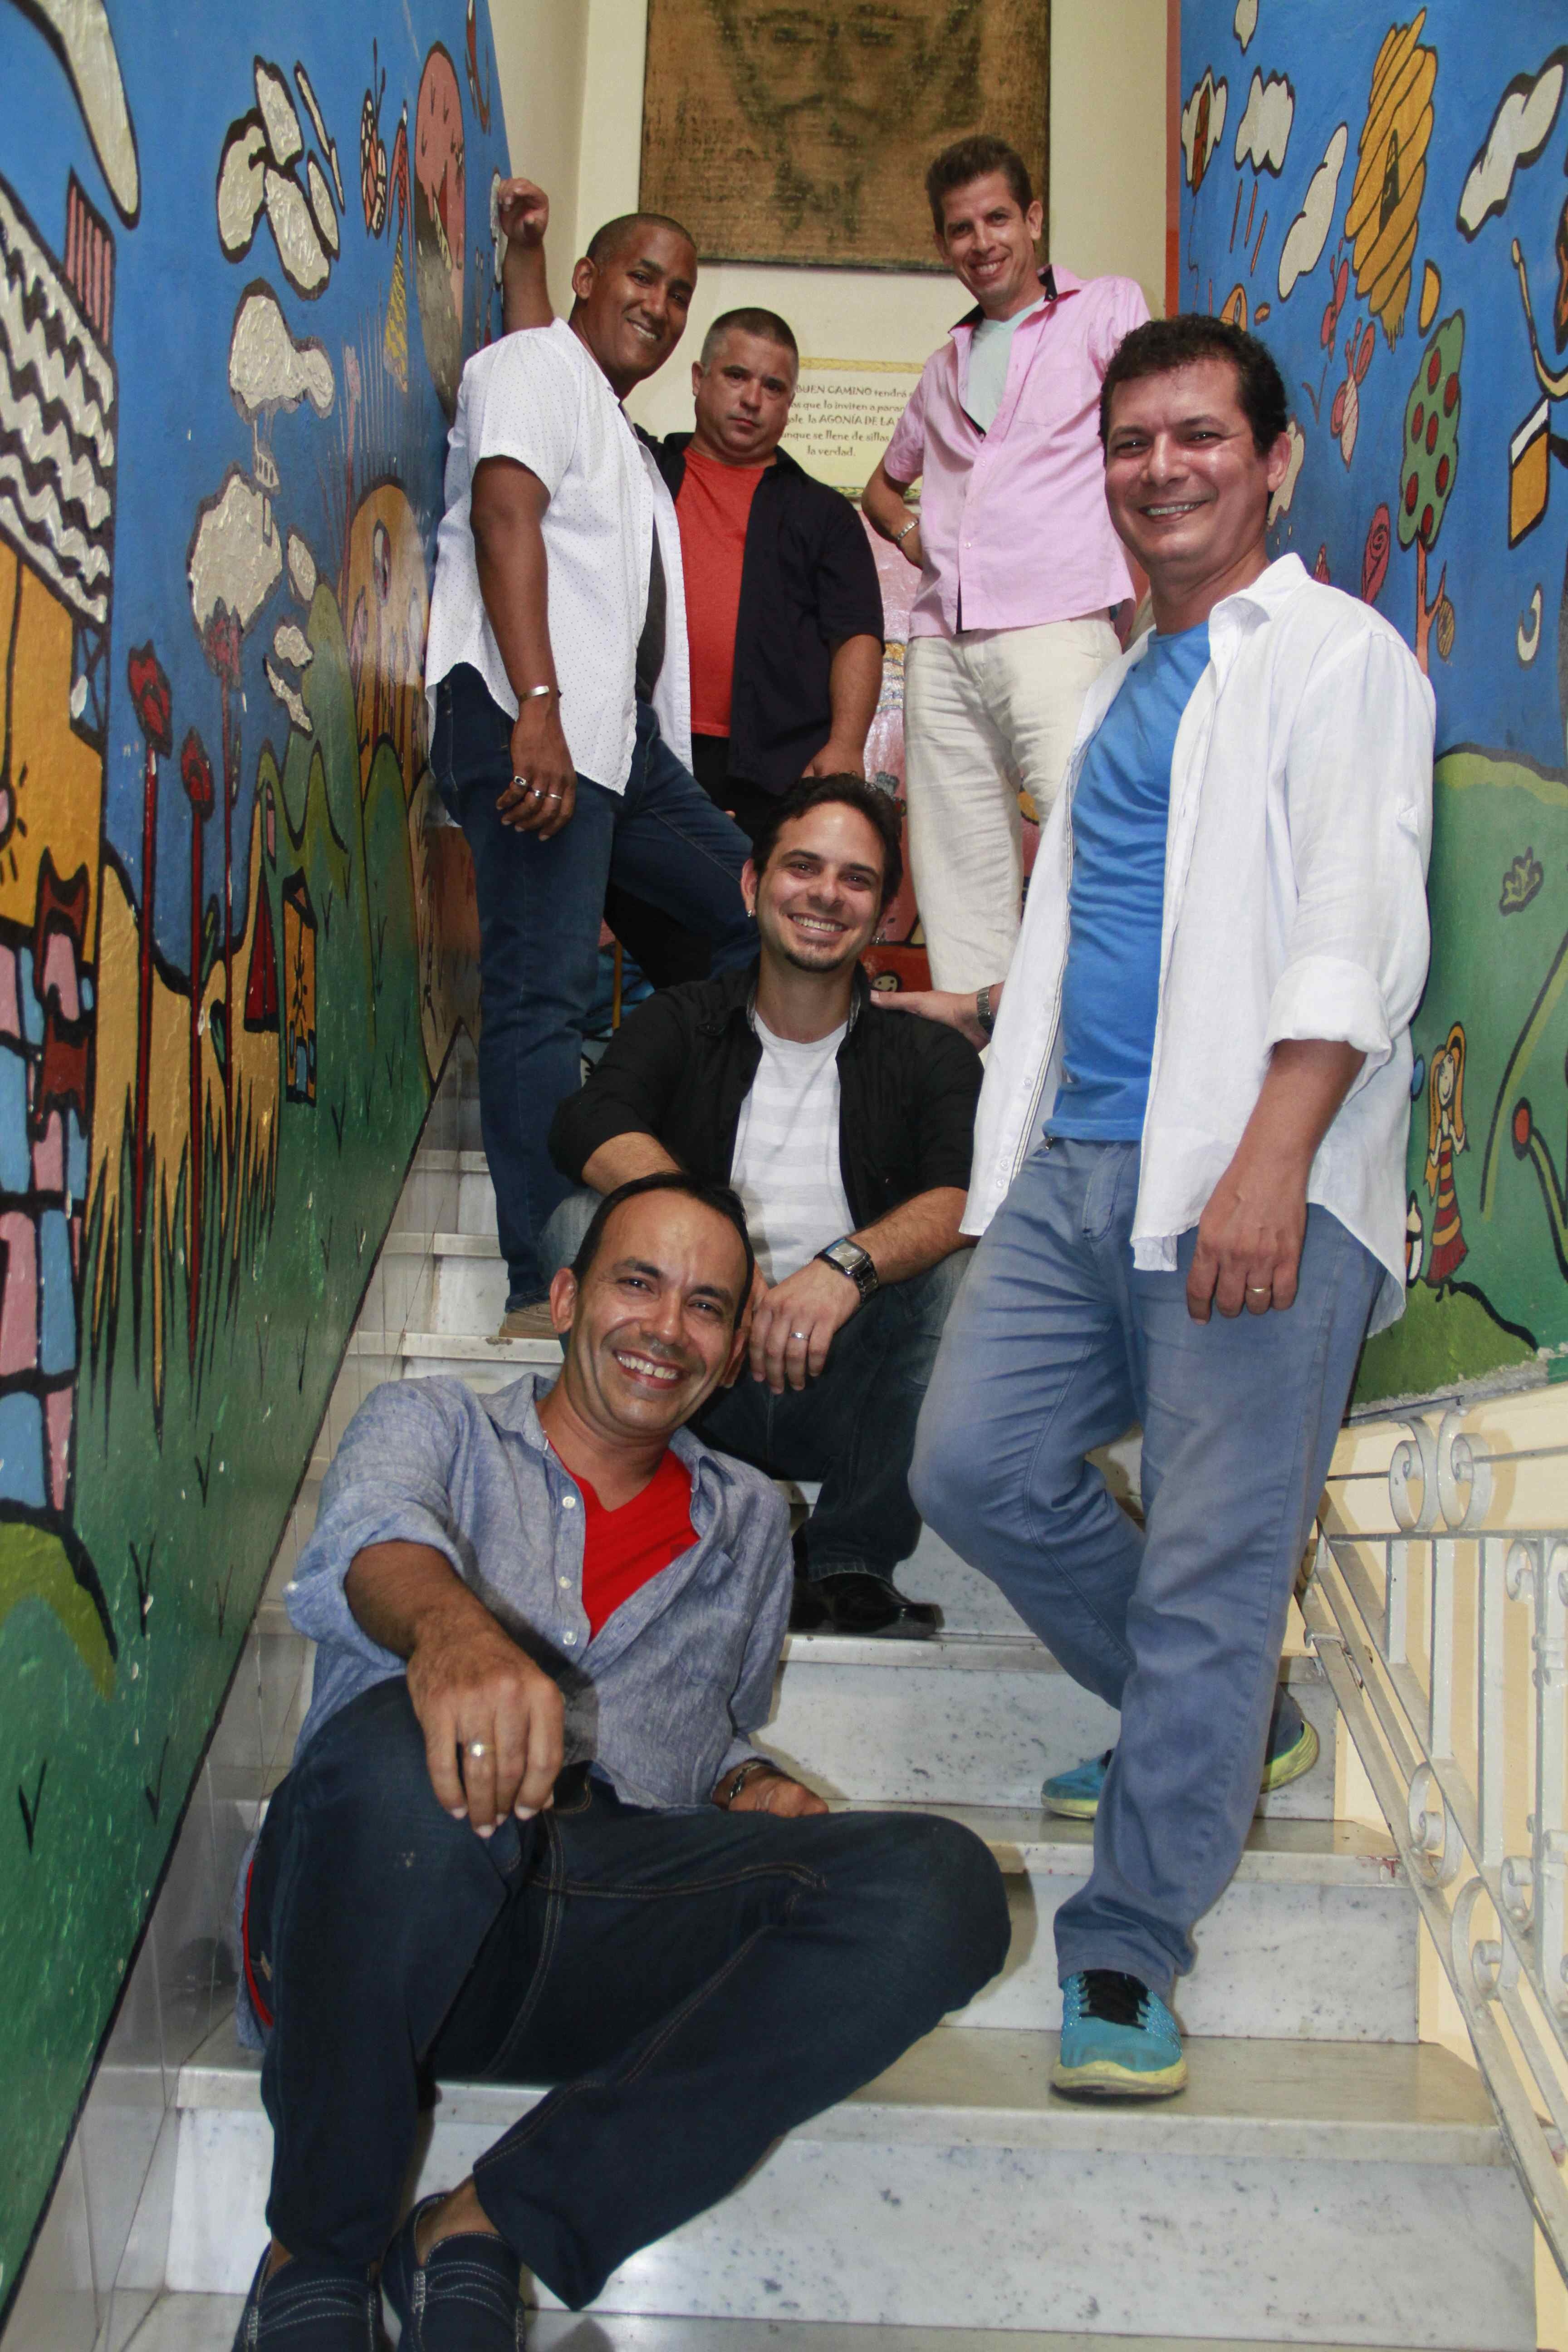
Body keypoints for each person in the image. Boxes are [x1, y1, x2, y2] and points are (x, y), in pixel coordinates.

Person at [894, 316, 1433, 2097]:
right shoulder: (1123, 684)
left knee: (1211, 1564)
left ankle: (1127, 1946)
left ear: (1272, 462)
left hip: (1247, 1159)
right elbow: (1089, 935)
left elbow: (1356, 917)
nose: (1161, 468)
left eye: (1200, 436)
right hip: (1077, 1167)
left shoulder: (1336, 657)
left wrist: (1271, 1156)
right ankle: (1215, 1724)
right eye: (1131, 442)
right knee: (968, 1465)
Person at [231, 1172, 1009, 2350]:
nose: (666, 1327)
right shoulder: (432, 1424)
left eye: (707, 1306)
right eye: (637, 1283)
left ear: (734, 1352)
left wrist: (746, 1783)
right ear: (564, 1299)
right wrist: (451, 1638)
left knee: (941, 1887)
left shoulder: (752, 1519)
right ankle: (316, 2257)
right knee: (410, 1750)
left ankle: (485, 2225)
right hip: (383, 1900)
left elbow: (708, 1731)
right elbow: (374, 1548)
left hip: (590, 1921)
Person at [426, 201, 757, 1341]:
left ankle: (655, 1162)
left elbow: (554, 361)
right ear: (589, 275)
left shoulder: (602, 415)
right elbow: (504, 516)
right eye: (643, 277)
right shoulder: (533, 368)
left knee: (760, 912)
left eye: (680, 293)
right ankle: (538, 1284)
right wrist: (537, 705)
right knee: (541, 996)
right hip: (531, 716)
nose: (661, 305)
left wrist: (523, 263)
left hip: (619, 747)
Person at [546, 777, 980, 1638]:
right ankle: (673, 1510)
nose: (826, 895)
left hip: (854, 1392)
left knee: (966, 1276)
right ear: (753, 885)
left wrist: (845, 1269)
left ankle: (849, 1558)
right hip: (702, 1375)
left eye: (856, 879)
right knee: (578, 1227)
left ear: (882, 914)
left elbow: (966, 1196)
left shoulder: (925, 1053)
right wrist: (720, 1265)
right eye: (803, 867)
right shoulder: (684, 1019)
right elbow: (589, 1121)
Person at [501, 190, 886, 983]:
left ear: (791, 402)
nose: (752, 398)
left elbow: (857, 632)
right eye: (737, 376)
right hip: (638, 746)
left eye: (774, 387)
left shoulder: (823, 515)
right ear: (699, 378)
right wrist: (527, 255)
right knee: (674, 956)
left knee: (767, 947)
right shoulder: (639, 465)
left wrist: (847, 744)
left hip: (776, 772)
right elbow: (551, 369)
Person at [862, 135, 1149, 995]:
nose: (981, 242)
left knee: (1094, 847)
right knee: (957, 877)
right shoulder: (942, 367)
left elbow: (1154, 423)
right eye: (960, 229)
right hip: (941, 646)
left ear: (1033, 219)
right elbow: (882, 489)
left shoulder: (1105, 311)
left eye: (997, 219)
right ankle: (983, 1065)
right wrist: (917, 540)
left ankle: (1102, 1047)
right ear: (942, 243)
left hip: (1059, 625)